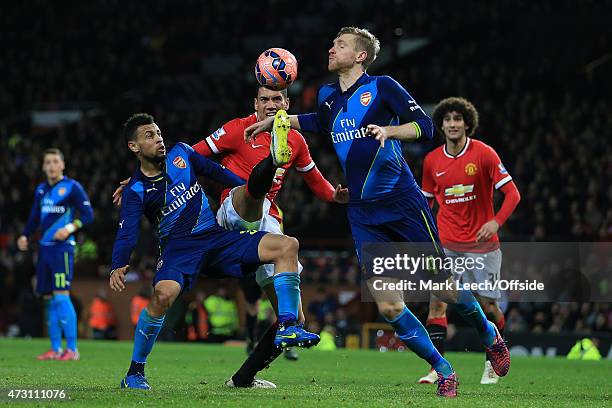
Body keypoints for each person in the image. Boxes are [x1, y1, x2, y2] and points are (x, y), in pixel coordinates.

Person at [245, 26, 510, 398]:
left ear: (360, 56)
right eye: (333, 44)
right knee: (388, 306)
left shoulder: (384, 87)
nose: (331, 49)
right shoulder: (326, 95)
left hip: (403, 205)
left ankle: (489, 334)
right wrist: (277, 120)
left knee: (445, 291)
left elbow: (426, 126)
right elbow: (319, 122)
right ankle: (443, 368)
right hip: (363, 213)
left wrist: (390, 132)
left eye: (340, 45)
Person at [113, 86, 348, 376]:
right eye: (264, 99)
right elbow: (129, 229)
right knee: (163, 296)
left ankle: (256, 364)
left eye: (277, 100)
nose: (159, 139)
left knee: (289, 263)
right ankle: (135, 371)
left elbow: (217, 172)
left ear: (287, 103)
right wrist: (119, 263)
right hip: (209, 227)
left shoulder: (294, 141)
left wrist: (333, 196)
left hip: (228, 232)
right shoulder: (236, 130)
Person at [418, 97, 521, 385]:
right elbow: (425, 206)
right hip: (447, 244)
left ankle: (492, 361)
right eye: (447, 119)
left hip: (483, 246)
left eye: (457, 119)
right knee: (437, 306)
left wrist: (495, 222)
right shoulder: (431, 161)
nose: (452, 124)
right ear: (441, 125)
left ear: (467, 123)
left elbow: (513, 194)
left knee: (489, 307)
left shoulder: (485, 154)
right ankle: (437, 368)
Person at [17, 148, 93, 361]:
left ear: (62, 165)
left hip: (62, 249)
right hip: (44, 248)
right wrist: (25, 235)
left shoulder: (72, 187)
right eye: (47, 162)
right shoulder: (41, 190)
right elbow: (34, 218)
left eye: (54, 161)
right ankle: (55, 348)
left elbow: (88, 215)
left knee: (61, 295)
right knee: (49, 299)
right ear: (43, 167)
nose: (51, 165)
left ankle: (72, 349)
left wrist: (70, 228)